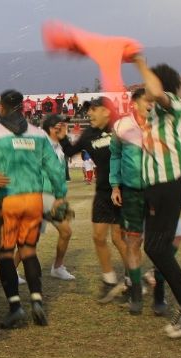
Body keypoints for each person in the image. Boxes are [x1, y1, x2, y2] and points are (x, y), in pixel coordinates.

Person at [131, 57, 181, 337]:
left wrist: (140, 63)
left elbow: (155, 93)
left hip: (168, 184)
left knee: (157, 247)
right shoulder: (153, 116)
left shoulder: (174, 104)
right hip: (156, 188)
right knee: (154, 247)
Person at [0, 91, 67, 329]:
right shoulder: (38, 134)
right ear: (23, 109)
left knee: (6, 254)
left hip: (8, 200)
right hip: (34, 200)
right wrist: (59, 197)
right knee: (28, 250)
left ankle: (15, 306)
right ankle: (37, 299)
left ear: (1, 108)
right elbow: (55, 169)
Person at [61, 97, 128, 297]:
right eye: (88, 111)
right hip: (103, 192)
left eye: (93, 110)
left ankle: (132, 279)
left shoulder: (122, 128)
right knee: (98, 237)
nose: (88, 114)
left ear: (107, 111)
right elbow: (69, 151)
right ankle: (109, 279)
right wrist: (63, 136)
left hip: (125, 190)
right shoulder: (88, 134)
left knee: (119, 238)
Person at [110, 88, 165, 315]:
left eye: (153, 102)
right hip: (132, 193)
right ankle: (135, 294)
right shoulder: (121, 127)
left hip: (157, 190)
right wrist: (115, 185)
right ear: (134, 103)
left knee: (159, 244)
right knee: (133, 242)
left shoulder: (162, 125)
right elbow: (115, 155)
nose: (151, 105)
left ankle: (160, 294)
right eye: (146, 101)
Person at [40, 114, 77, 281]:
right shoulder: (42, 144)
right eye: (63, 125)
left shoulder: (58, 146)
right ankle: (57, 267)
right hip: (43, 194)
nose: (66, 128)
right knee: (32, 237)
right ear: (54, 128)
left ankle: (57, 267)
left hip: (52, 195)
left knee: (64, 232)